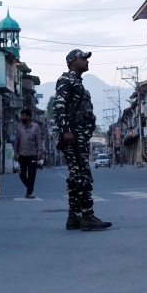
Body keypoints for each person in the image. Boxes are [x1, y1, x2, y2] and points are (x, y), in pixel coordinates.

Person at [54, 50, 111, 231]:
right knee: (82, 175)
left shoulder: (78, 83)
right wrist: (66, 131)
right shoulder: (66, 81)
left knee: (75, 176)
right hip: (74, 135)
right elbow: (59, 106)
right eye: (83, 58)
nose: (87, 61)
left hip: (80, 135)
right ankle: (87, 215)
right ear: (72, 61)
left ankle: (74, 216)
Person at [14, 108, 42, 198]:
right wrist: (15, 153)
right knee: (22, 174)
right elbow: (16, 141)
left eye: (23, 116)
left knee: (32, 174)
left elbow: (38, 141)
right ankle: (30, 187)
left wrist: (39, 153)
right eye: (21, 116)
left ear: (28, 117)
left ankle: (29, 192)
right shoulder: (19, 127)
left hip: (33, 155)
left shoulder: (36, 127)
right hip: (22, 155)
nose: (21, 117)